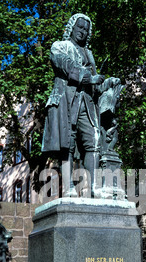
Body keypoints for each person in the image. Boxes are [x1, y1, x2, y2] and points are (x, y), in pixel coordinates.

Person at [42, 13, 119, 197]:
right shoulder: (60, 46)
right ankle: (68, 187)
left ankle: (93, 188)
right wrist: (88, 77)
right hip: (67, 99)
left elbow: (95, 83)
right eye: (80, 27)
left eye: (86, 29)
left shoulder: (88, 53)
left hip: (87, 102)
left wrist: (106, 83)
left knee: (93, 141)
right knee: (67, 142)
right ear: (72, 28)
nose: (82, 32)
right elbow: (66, 65)